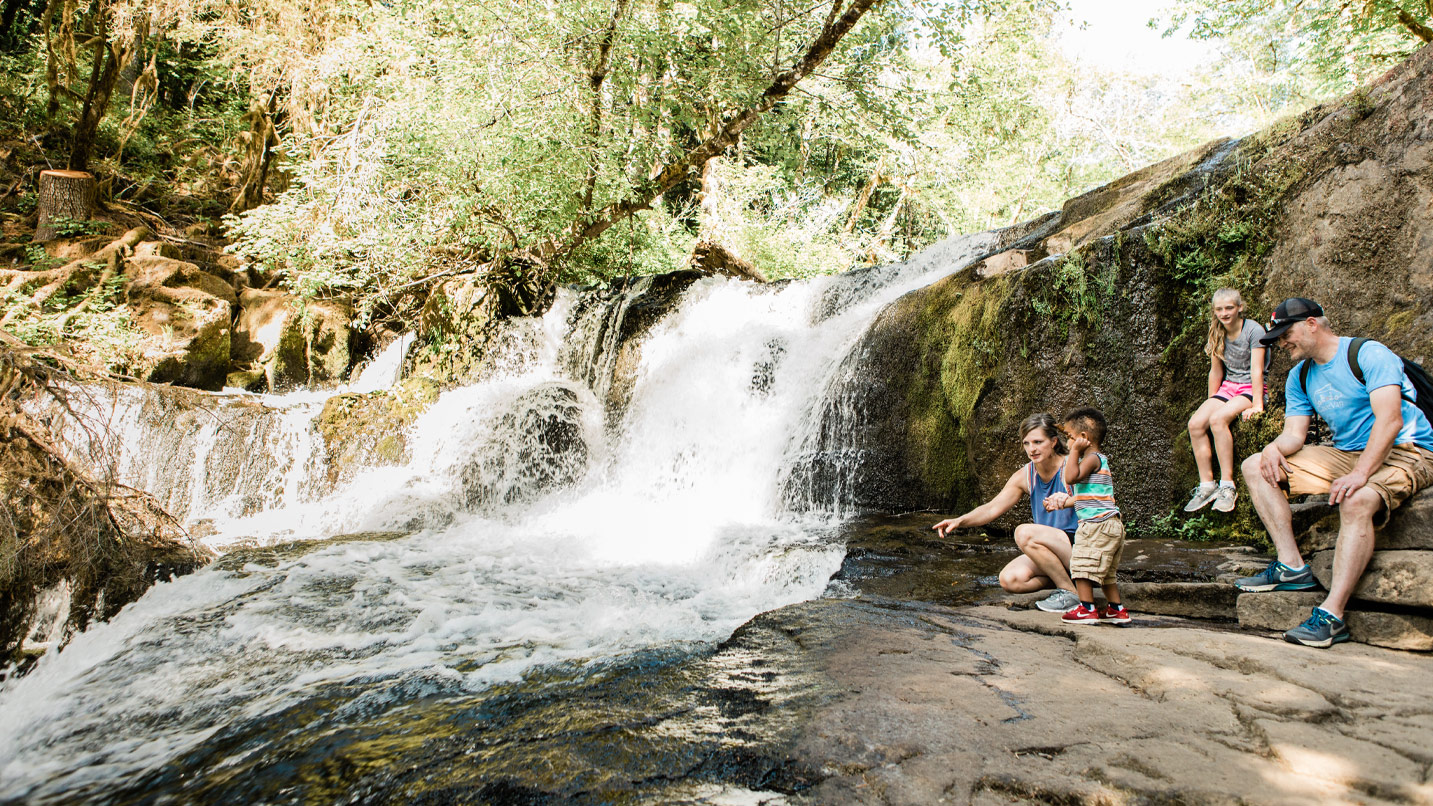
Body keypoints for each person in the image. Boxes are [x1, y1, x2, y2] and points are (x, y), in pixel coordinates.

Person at [1237, 298, 1433, 648]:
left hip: (1408, 451)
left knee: (1356, 501)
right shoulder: (1301, 375)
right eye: (1277, 337)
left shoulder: (1369, 354)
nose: (1282, 343)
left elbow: (1390, 421)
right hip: (1346, 454)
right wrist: (1272, 448)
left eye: (1286, 333)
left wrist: (1361, 474)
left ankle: (1332, 615)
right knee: (1255, 466)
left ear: (1312, 324)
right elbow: (1295, 435)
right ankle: (1292, 566)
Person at [932, 413, 1081, 613]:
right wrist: (960, 521)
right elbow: (993, 508)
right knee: (1010, 580)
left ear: (1054, 442)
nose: (1032, 449)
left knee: (1024, 533)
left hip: (1078, 546)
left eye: (1038, 442)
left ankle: (1069, 591)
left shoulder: (1071, 467)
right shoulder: (1026, 475)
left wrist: (1068, 501)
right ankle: (1072, 583)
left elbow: (1099, 500)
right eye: (1027, 443)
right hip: (1051, 549)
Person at [1184, 288, 1267, 513]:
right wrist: (1211, 401)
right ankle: (1207, 485)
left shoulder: (1254, 331)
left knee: (1218, 420)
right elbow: (1215, 372)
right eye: (1219, 309)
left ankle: (1227, 485)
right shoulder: (1216, 331)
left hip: (1249, 387)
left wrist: (1258, 404)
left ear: (1240, 307)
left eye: (1229, 308)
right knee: (1195, 423)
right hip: (1228, 388)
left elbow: (1257, 370)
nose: (1224, 313)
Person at [1048, 407, 1129, 625]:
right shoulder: (1097, 459)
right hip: (1109, 523)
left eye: (1070, 437)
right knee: (1107, 573)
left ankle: (1086, 608)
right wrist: (1063, 502)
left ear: (1084, 438)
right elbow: (1088, 495)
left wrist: (1074, 453)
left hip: (1096, 525)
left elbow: (1072, 477)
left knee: (1081, 566)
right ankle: (1116, 609)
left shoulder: (1091, 458)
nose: (1067, 442)